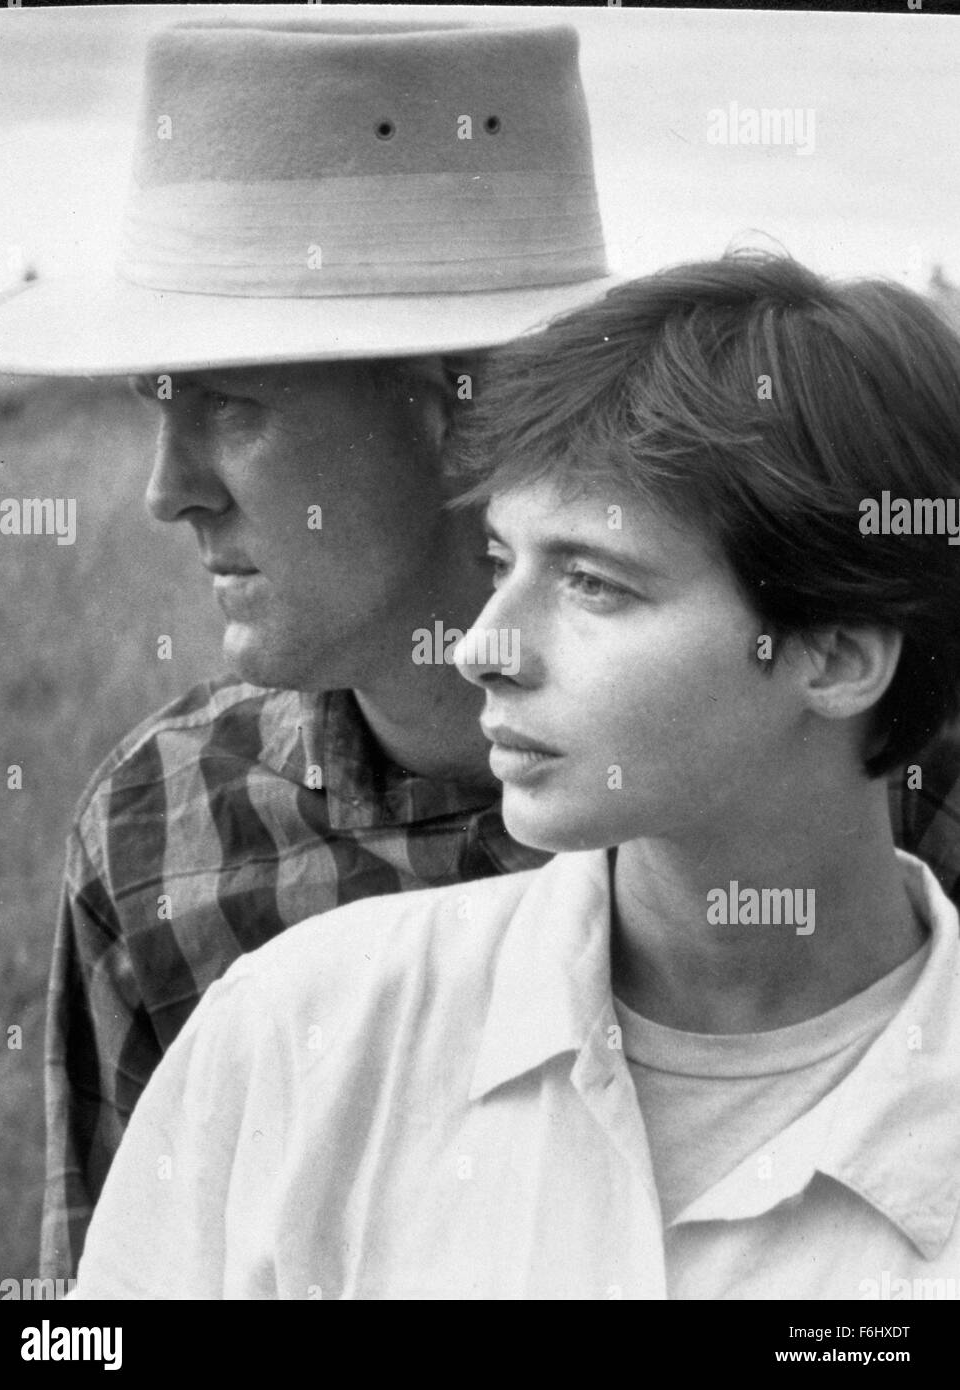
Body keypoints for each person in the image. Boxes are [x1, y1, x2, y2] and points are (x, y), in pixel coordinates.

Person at [71, 253, 960, 1299]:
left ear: (836, 657)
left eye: (592, 583)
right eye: (500, 563)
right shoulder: (291, 1034)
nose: (480, 647)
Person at [0, 15, 618, 1280]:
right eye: (158, 407)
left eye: (232, 408)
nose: (167, 491)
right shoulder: (162, 830)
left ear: (462, 419)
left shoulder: (812, 778)